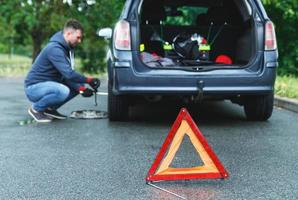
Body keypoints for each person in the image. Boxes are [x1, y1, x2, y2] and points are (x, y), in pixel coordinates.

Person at [24, 19, 100, 123]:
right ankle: (36, 109)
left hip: (48, 86)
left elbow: (65, 76)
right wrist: (89, 80)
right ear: (68, 34)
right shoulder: (55, 49)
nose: (79, 41)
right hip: (34, 88)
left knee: (79, 85)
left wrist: (82, 89)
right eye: (78, 37)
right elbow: (69, 74)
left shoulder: (66, 49)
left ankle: (49, 109)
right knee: (63, 91)